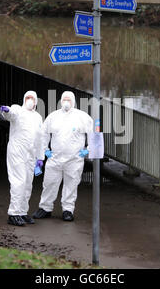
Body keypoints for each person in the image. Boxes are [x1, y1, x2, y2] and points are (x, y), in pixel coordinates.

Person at [33, 91, 93, 222]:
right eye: (64, 99)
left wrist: (87, 150)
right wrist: (45, 150)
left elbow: (93, 134)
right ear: (60, 100)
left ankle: (68, 210)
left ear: (73, 101)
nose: (66, 102)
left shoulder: (82, 117)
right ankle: (45, 208)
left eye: (69, 100)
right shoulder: (53, 117)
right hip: (54, 158)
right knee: (49, 183)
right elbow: (44, 134)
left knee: (71, 185)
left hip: (74, 160)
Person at [0, 91, 44, 226]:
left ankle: (22, 212)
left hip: (30, 154)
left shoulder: (38, 117)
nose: (30, 100)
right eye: (27, 98)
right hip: (17, 151)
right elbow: (11, 114)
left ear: (36, 101)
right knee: (19, 181)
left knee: (27, 184)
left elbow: (40, 138)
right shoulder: (18, 110)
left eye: (32, 98)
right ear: (24, 99)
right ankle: (13, 213)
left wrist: (40, 157)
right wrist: (6, 111)